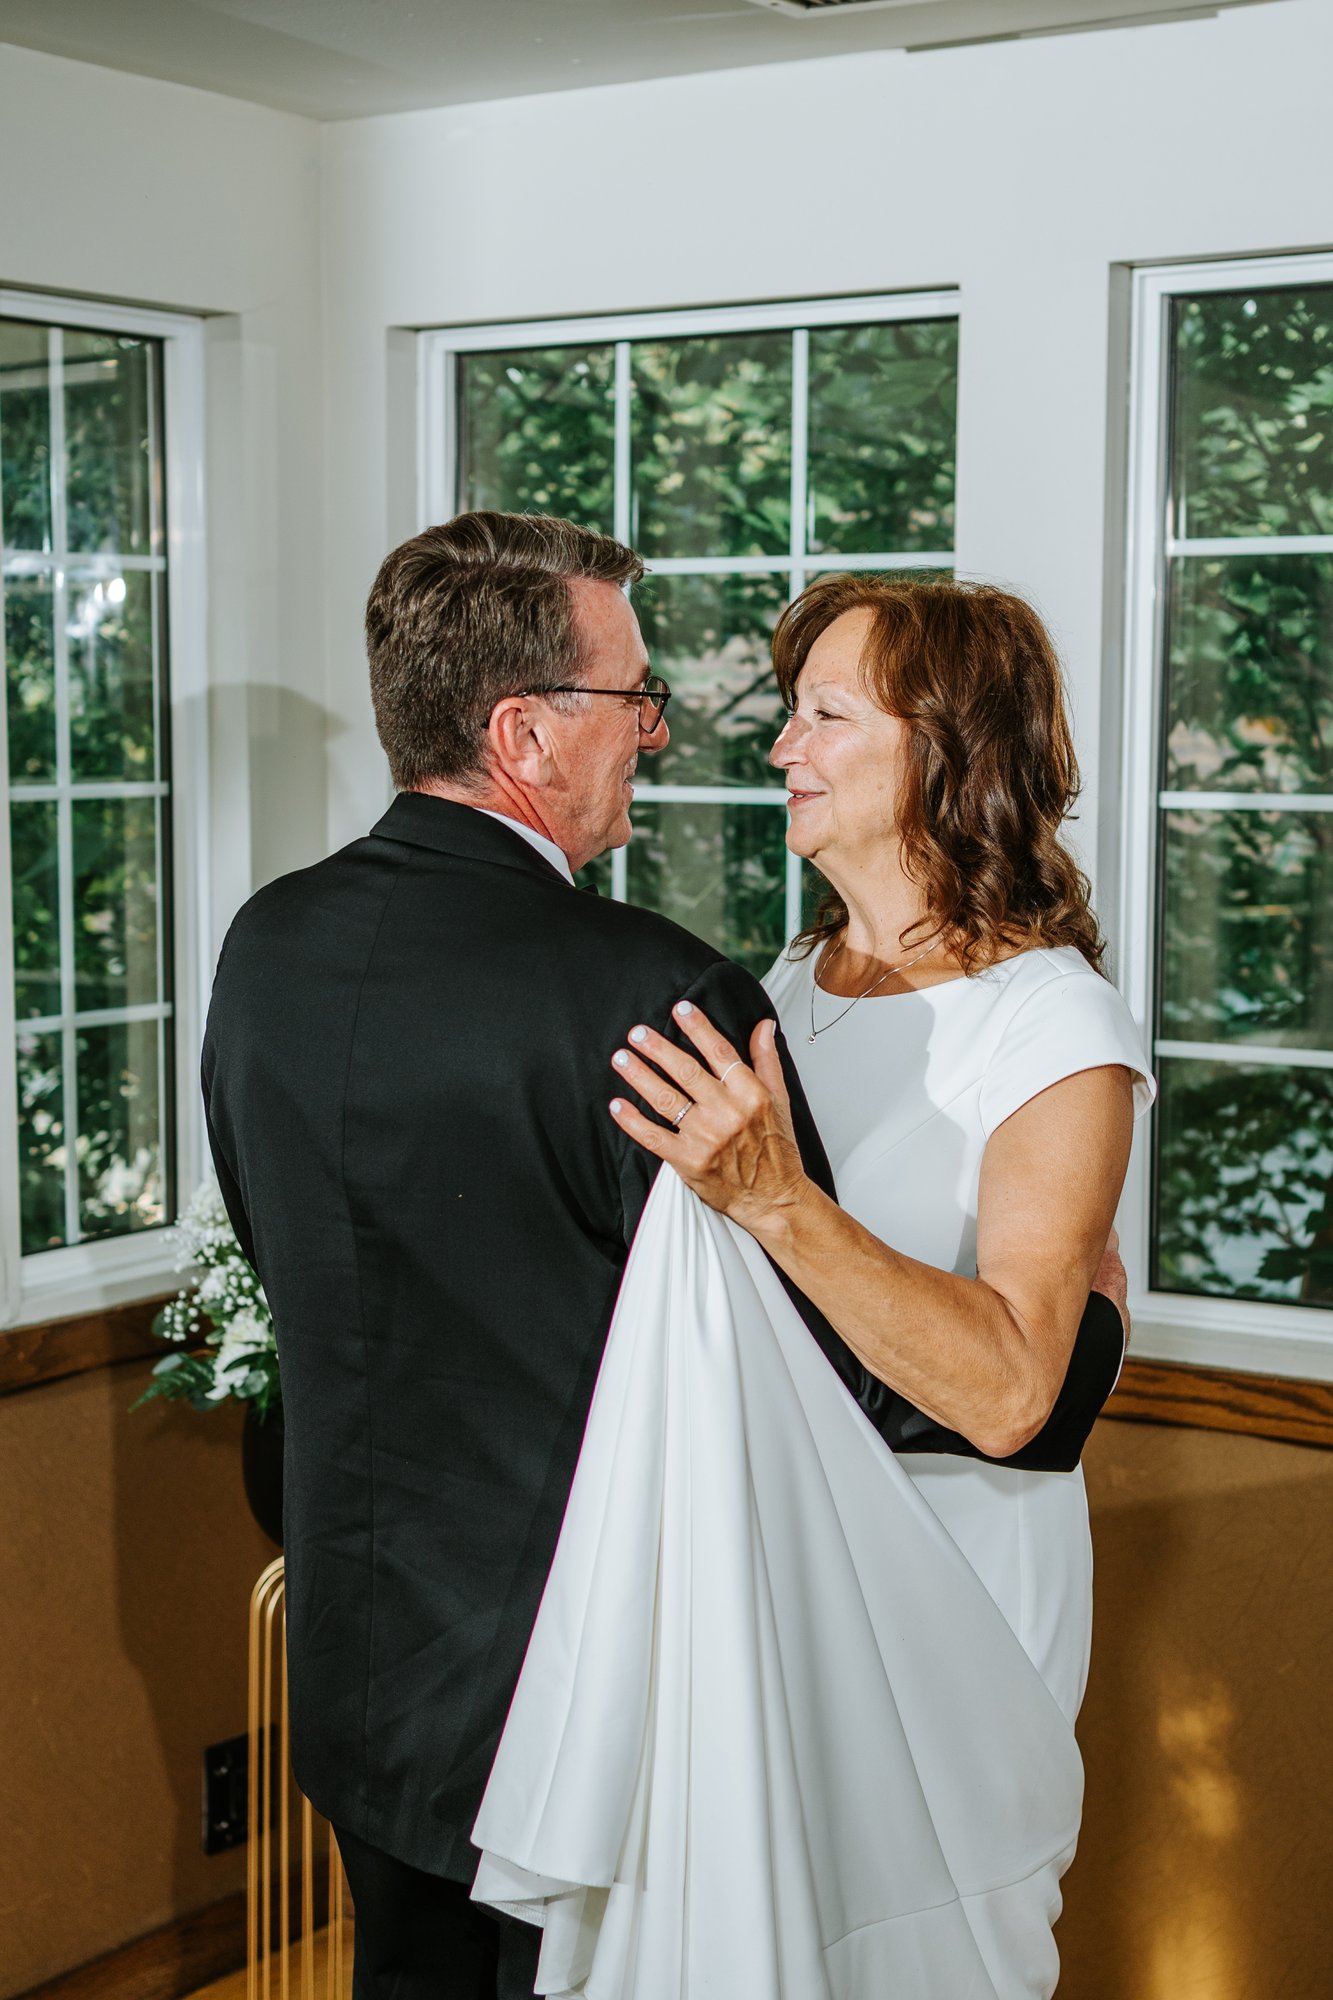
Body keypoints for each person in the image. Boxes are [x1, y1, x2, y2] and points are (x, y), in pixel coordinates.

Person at [202, 523, 1130, 2000]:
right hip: (631, 1648)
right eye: (629, 696)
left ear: (948, 753)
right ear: (520, 730)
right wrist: (1078, 1349)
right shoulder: (718, 991)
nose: (742, 740)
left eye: (823, 713)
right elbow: (804, 1356)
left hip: (868, 1598)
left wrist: (1014, 1349)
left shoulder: (266, 939)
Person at [546, 572, 1151, 1992]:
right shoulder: (782, 991)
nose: (778, 750)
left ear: (943, 750)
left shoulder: (1051, 1022)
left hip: (950, 1590)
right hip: (763, 1573)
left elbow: (1010, 1391)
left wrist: (772, 1200)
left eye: (823, 715)